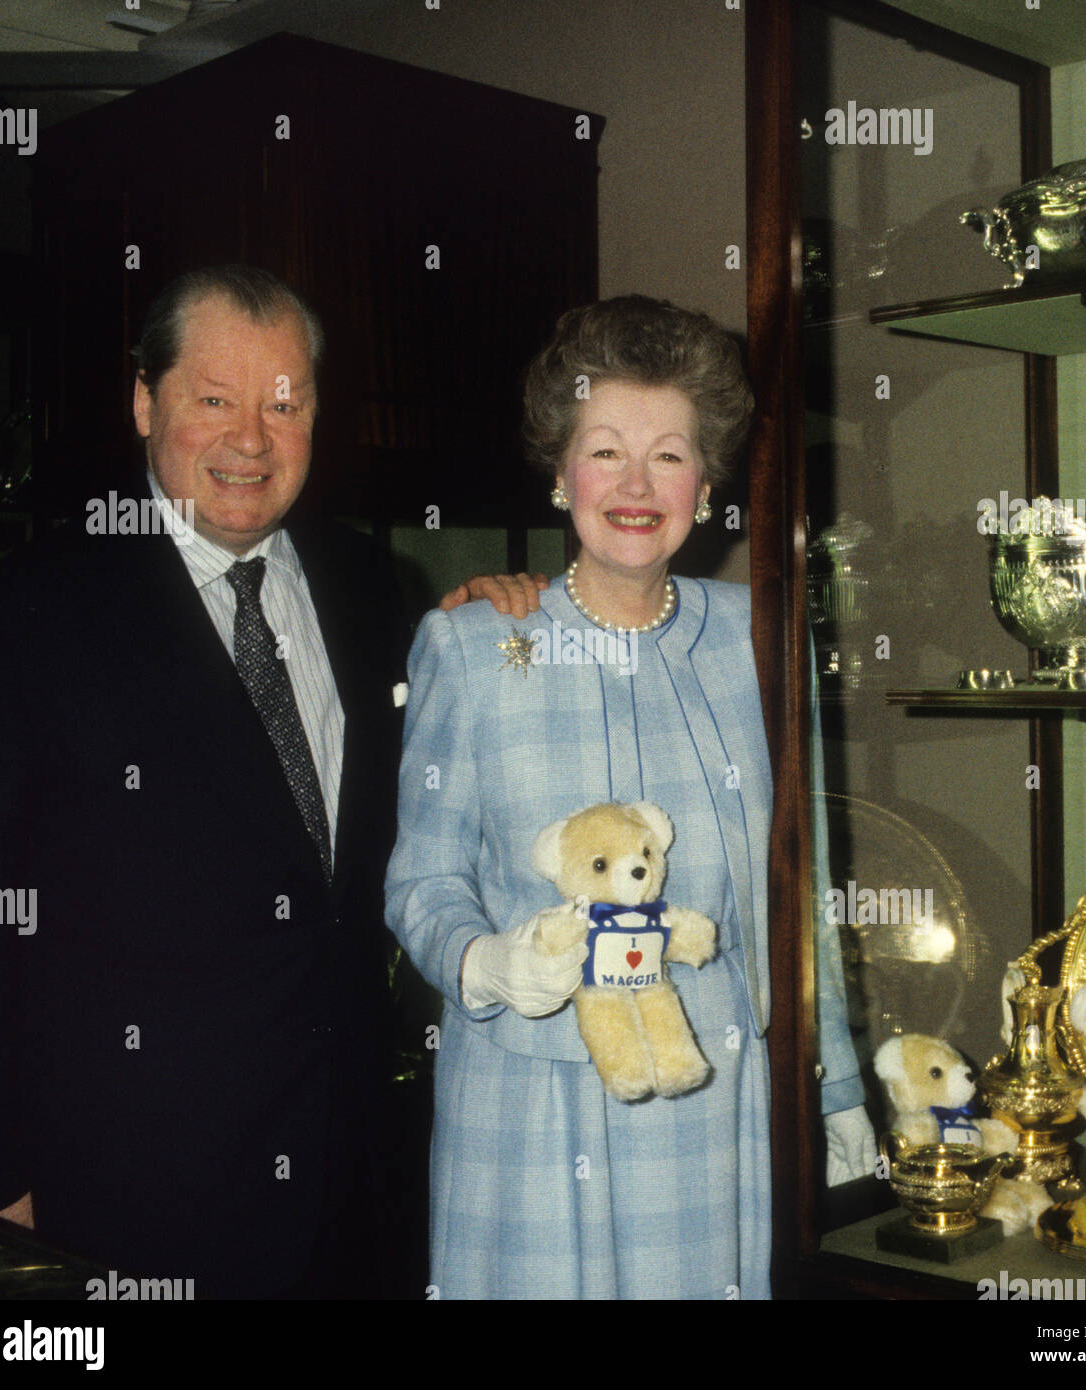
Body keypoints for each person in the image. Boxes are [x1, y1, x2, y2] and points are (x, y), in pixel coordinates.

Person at [0, 264, 534, 1298]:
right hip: (123, 1203)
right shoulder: (22, 619)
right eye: (212, 400)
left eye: (285, 403)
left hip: (356, 1182)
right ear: (144, 400)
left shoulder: (369, 587)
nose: (250, 439)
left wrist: (498, 635)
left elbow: (419, 837)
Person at [385, 295, 869, 1300]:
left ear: (708, 479)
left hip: (716, 1113)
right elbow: (419, 881)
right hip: (528, 1114)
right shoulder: (470, 648)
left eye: (668, 455)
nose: (636, 486)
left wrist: (836, 1090)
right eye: (604, 451)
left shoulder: (761, 642)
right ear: (560, 470)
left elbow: (802, 887)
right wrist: (484, 961)